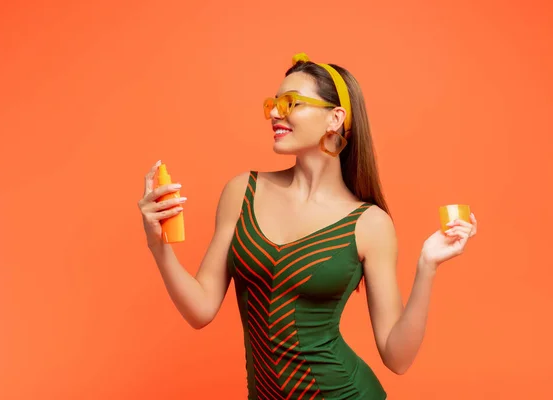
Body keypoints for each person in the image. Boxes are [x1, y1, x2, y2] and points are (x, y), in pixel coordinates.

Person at [138, 52, 478, 399]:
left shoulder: (369, 224)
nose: (274, 113)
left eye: (290, 103)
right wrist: (158, 245)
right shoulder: (242, 191)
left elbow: (397, 357)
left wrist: (427, 266)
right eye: (273, 103)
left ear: (335, 119)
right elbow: (200, 310)